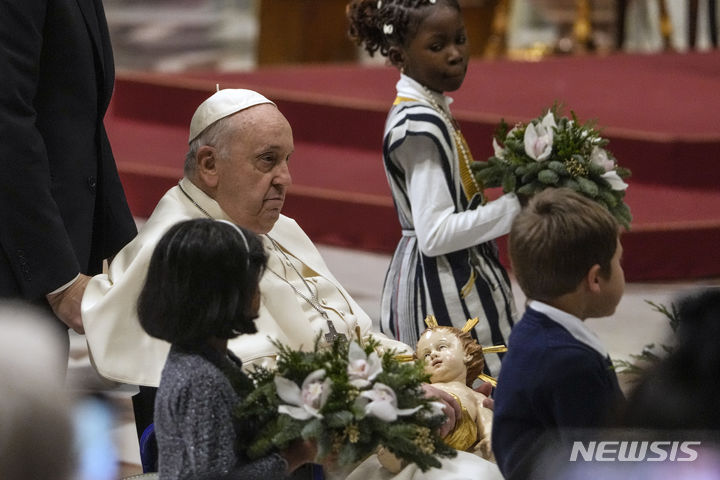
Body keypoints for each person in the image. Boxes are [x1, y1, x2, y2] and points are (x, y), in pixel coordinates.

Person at [81, 88, 464, 448]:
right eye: (268, 160)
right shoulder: (186, 251)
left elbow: (348, 330)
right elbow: (260, 384)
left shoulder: (277, 226)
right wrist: (395, 392)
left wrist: (418, 370)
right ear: (209, 164)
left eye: (287, 160)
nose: (286, 178)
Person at [346, 0, 521, 375]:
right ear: (399, 54)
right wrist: (518, 207)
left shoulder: (429, 106)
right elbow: (436, 234)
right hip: (441, 287)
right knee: (469, 397)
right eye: (437, 46)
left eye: (460, 39)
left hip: (452, 271)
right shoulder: (418, 125)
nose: (455, 54)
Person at [0, 0, 137, 343]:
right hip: (17, 259)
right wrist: (59, 280)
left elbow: (75, 115)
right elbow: (7, 126)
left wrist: (125, 248)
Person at [138, 218, 316, 480]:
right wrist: (294, 457)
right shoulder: (202, 380)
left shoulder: (208, 360)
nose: (260, 293)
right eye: (253, 283)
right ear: (220, 295)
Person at [491, 188, 626, 479]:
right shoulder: (571, 363)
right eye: (618, 262)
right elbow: (606, 462)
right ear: (594, 279)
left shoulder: (535, 329)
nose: (621, 270)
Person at [415, 323, 493, 460]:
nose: (433, 354)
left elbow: (486, 417)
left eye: (442, 347)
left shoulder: (474, 395)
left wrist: (489, 435)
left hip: (457, 428)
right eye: (426, 355)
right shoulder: (421, 388)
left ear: (467, 354)